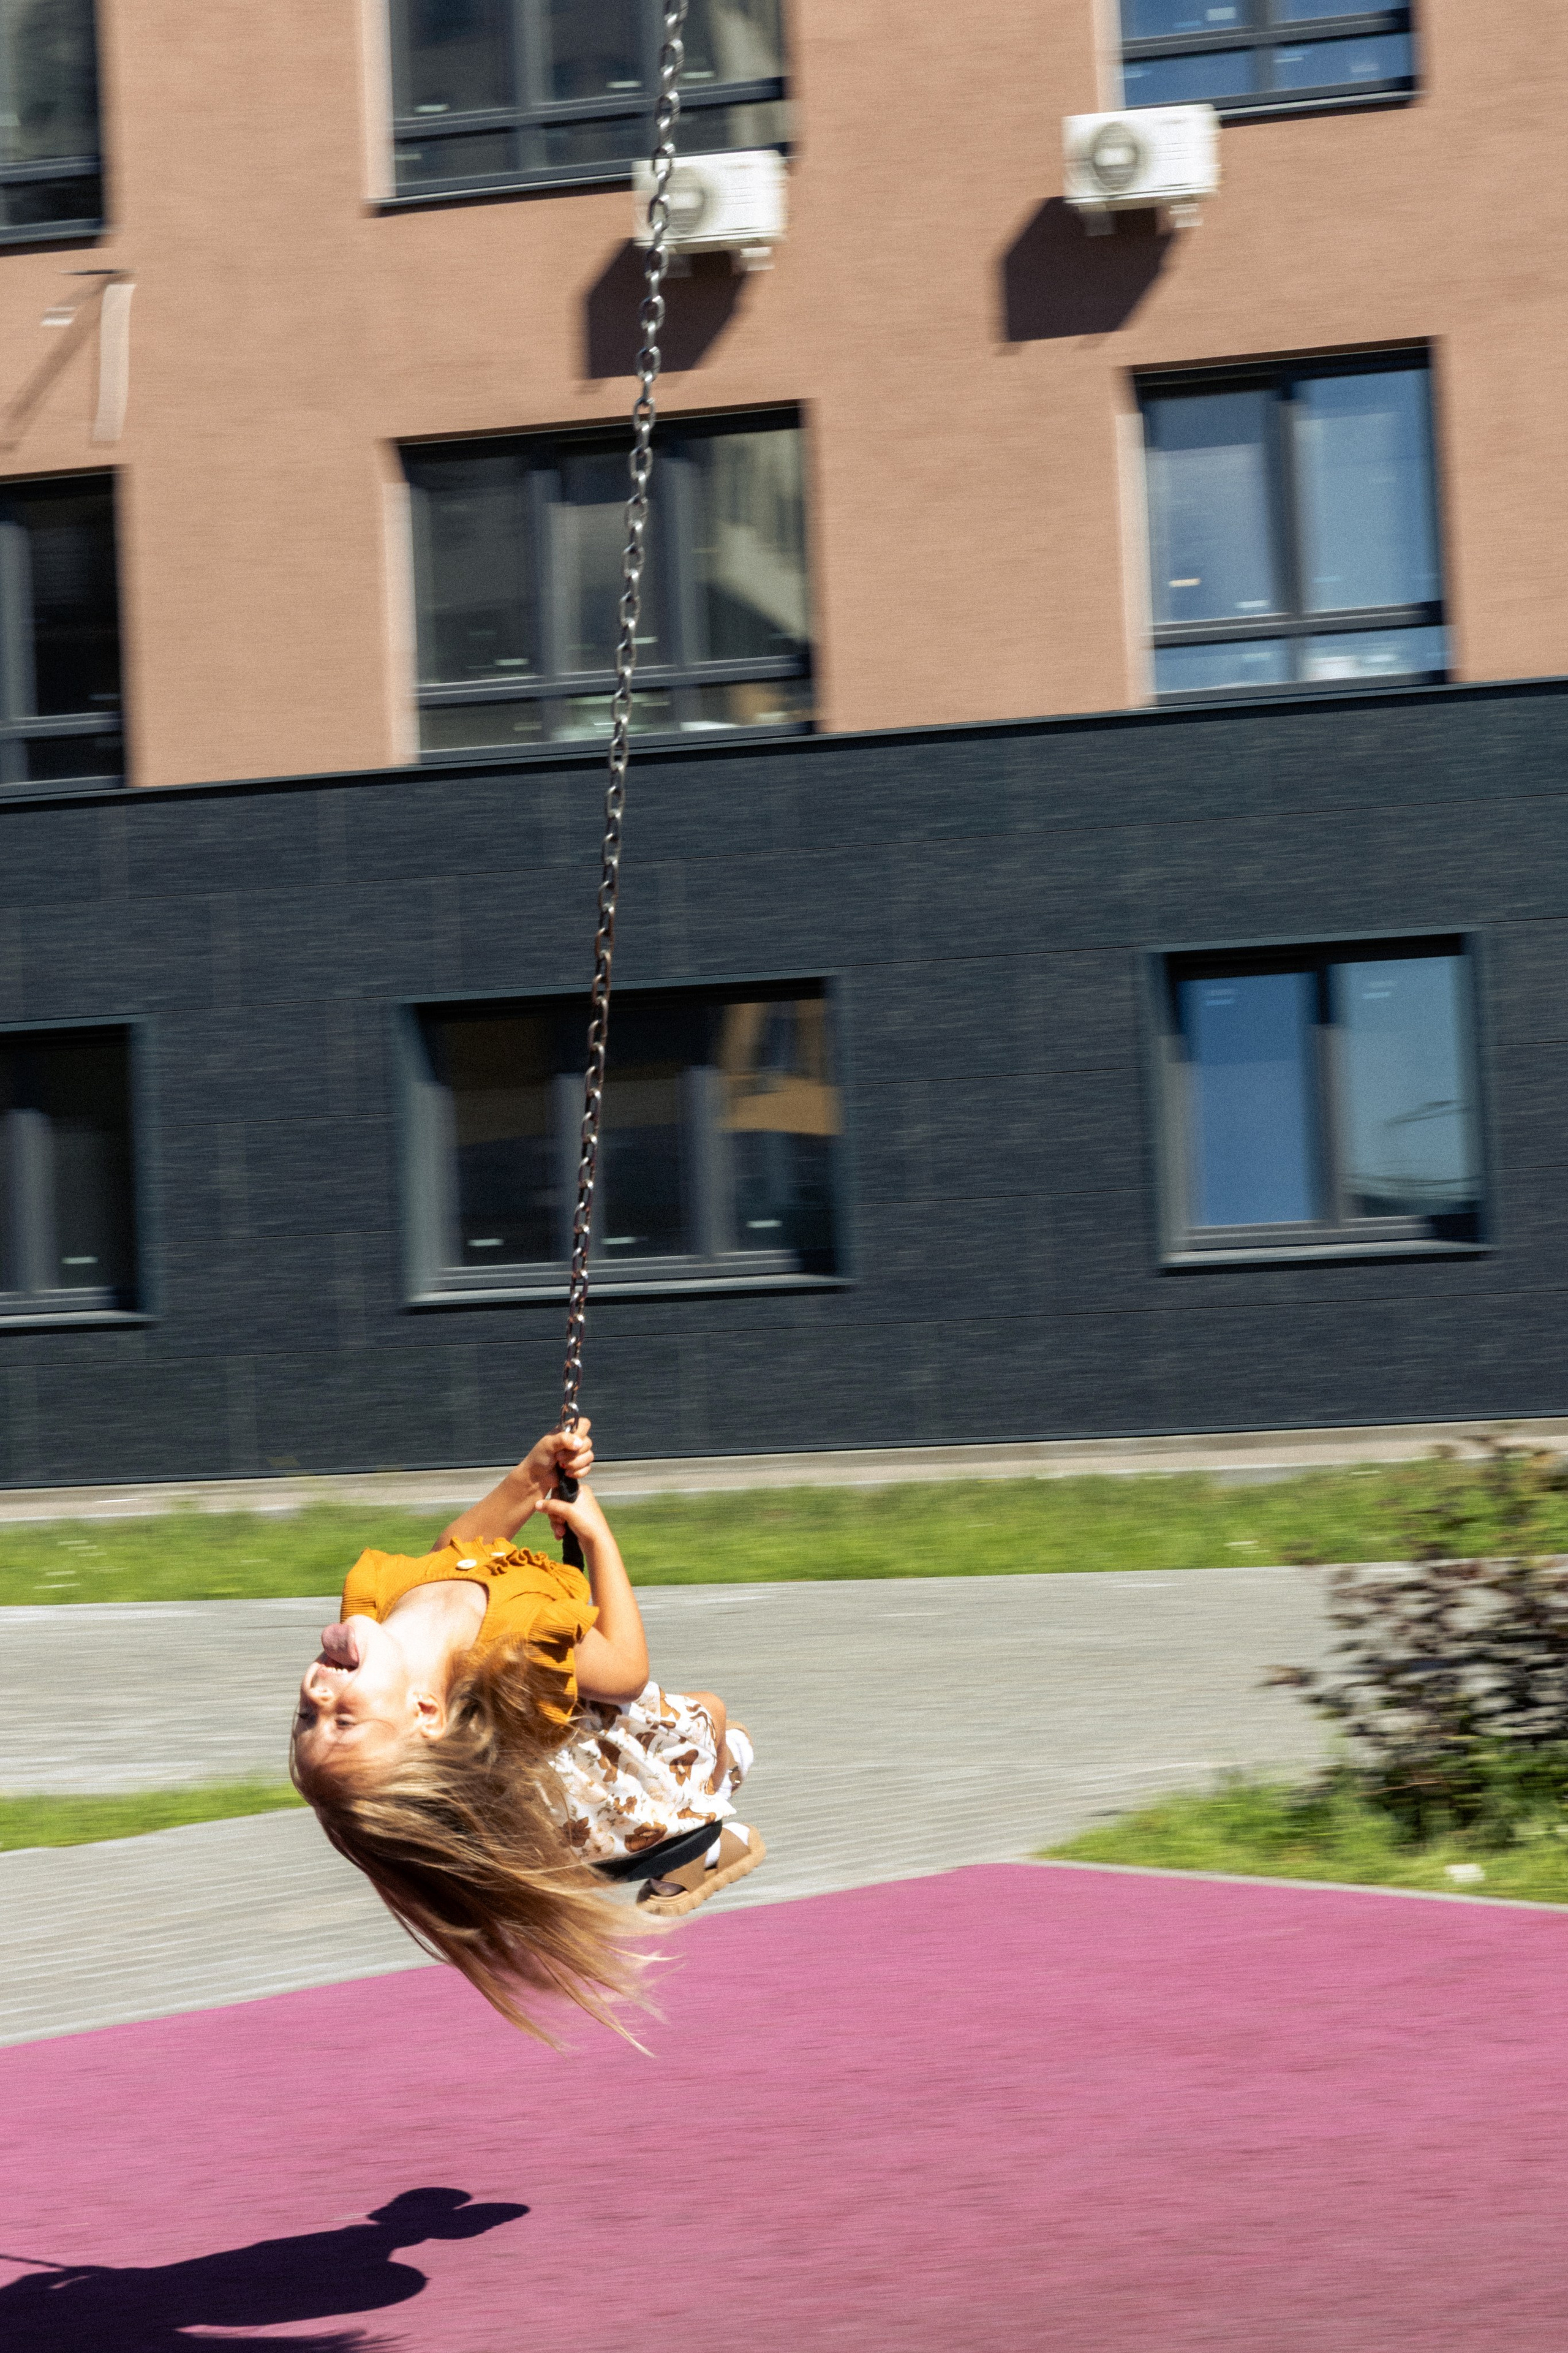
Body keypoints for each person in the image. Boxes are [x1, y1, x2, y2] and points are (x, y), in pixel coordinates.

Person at [289, 1422, 763, 2039]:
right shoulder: (513, 1651)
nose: (318, 1693)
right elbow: (625, 1671)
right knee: (712, 1718)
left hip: (586, 1749)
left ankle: (704, 1797)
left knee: (718, 1740)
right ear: (425, 1711)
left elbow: (458, 1550)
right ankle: (697, 1847)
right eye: (341, 1717)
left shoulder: (373, 1605)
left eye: (308, 1716)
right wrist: (597, 1539)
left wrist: (532, 1475)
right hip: (598, 1762)